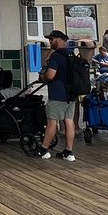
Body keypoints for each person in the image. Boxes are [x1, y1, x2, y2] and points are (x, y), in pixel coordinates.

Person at [37, 30, 77, 161]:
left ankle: (43, 149)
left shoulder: (57, 56)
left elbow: (50, 75)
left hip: (57, 93)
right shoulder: (71, 54)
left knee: (52, 122)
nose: (50, 42)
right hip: (71, 94)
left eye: (51, 39)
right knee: (69, 121)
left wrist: (42, 77)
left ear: (59, 39)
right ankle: (68, 151)